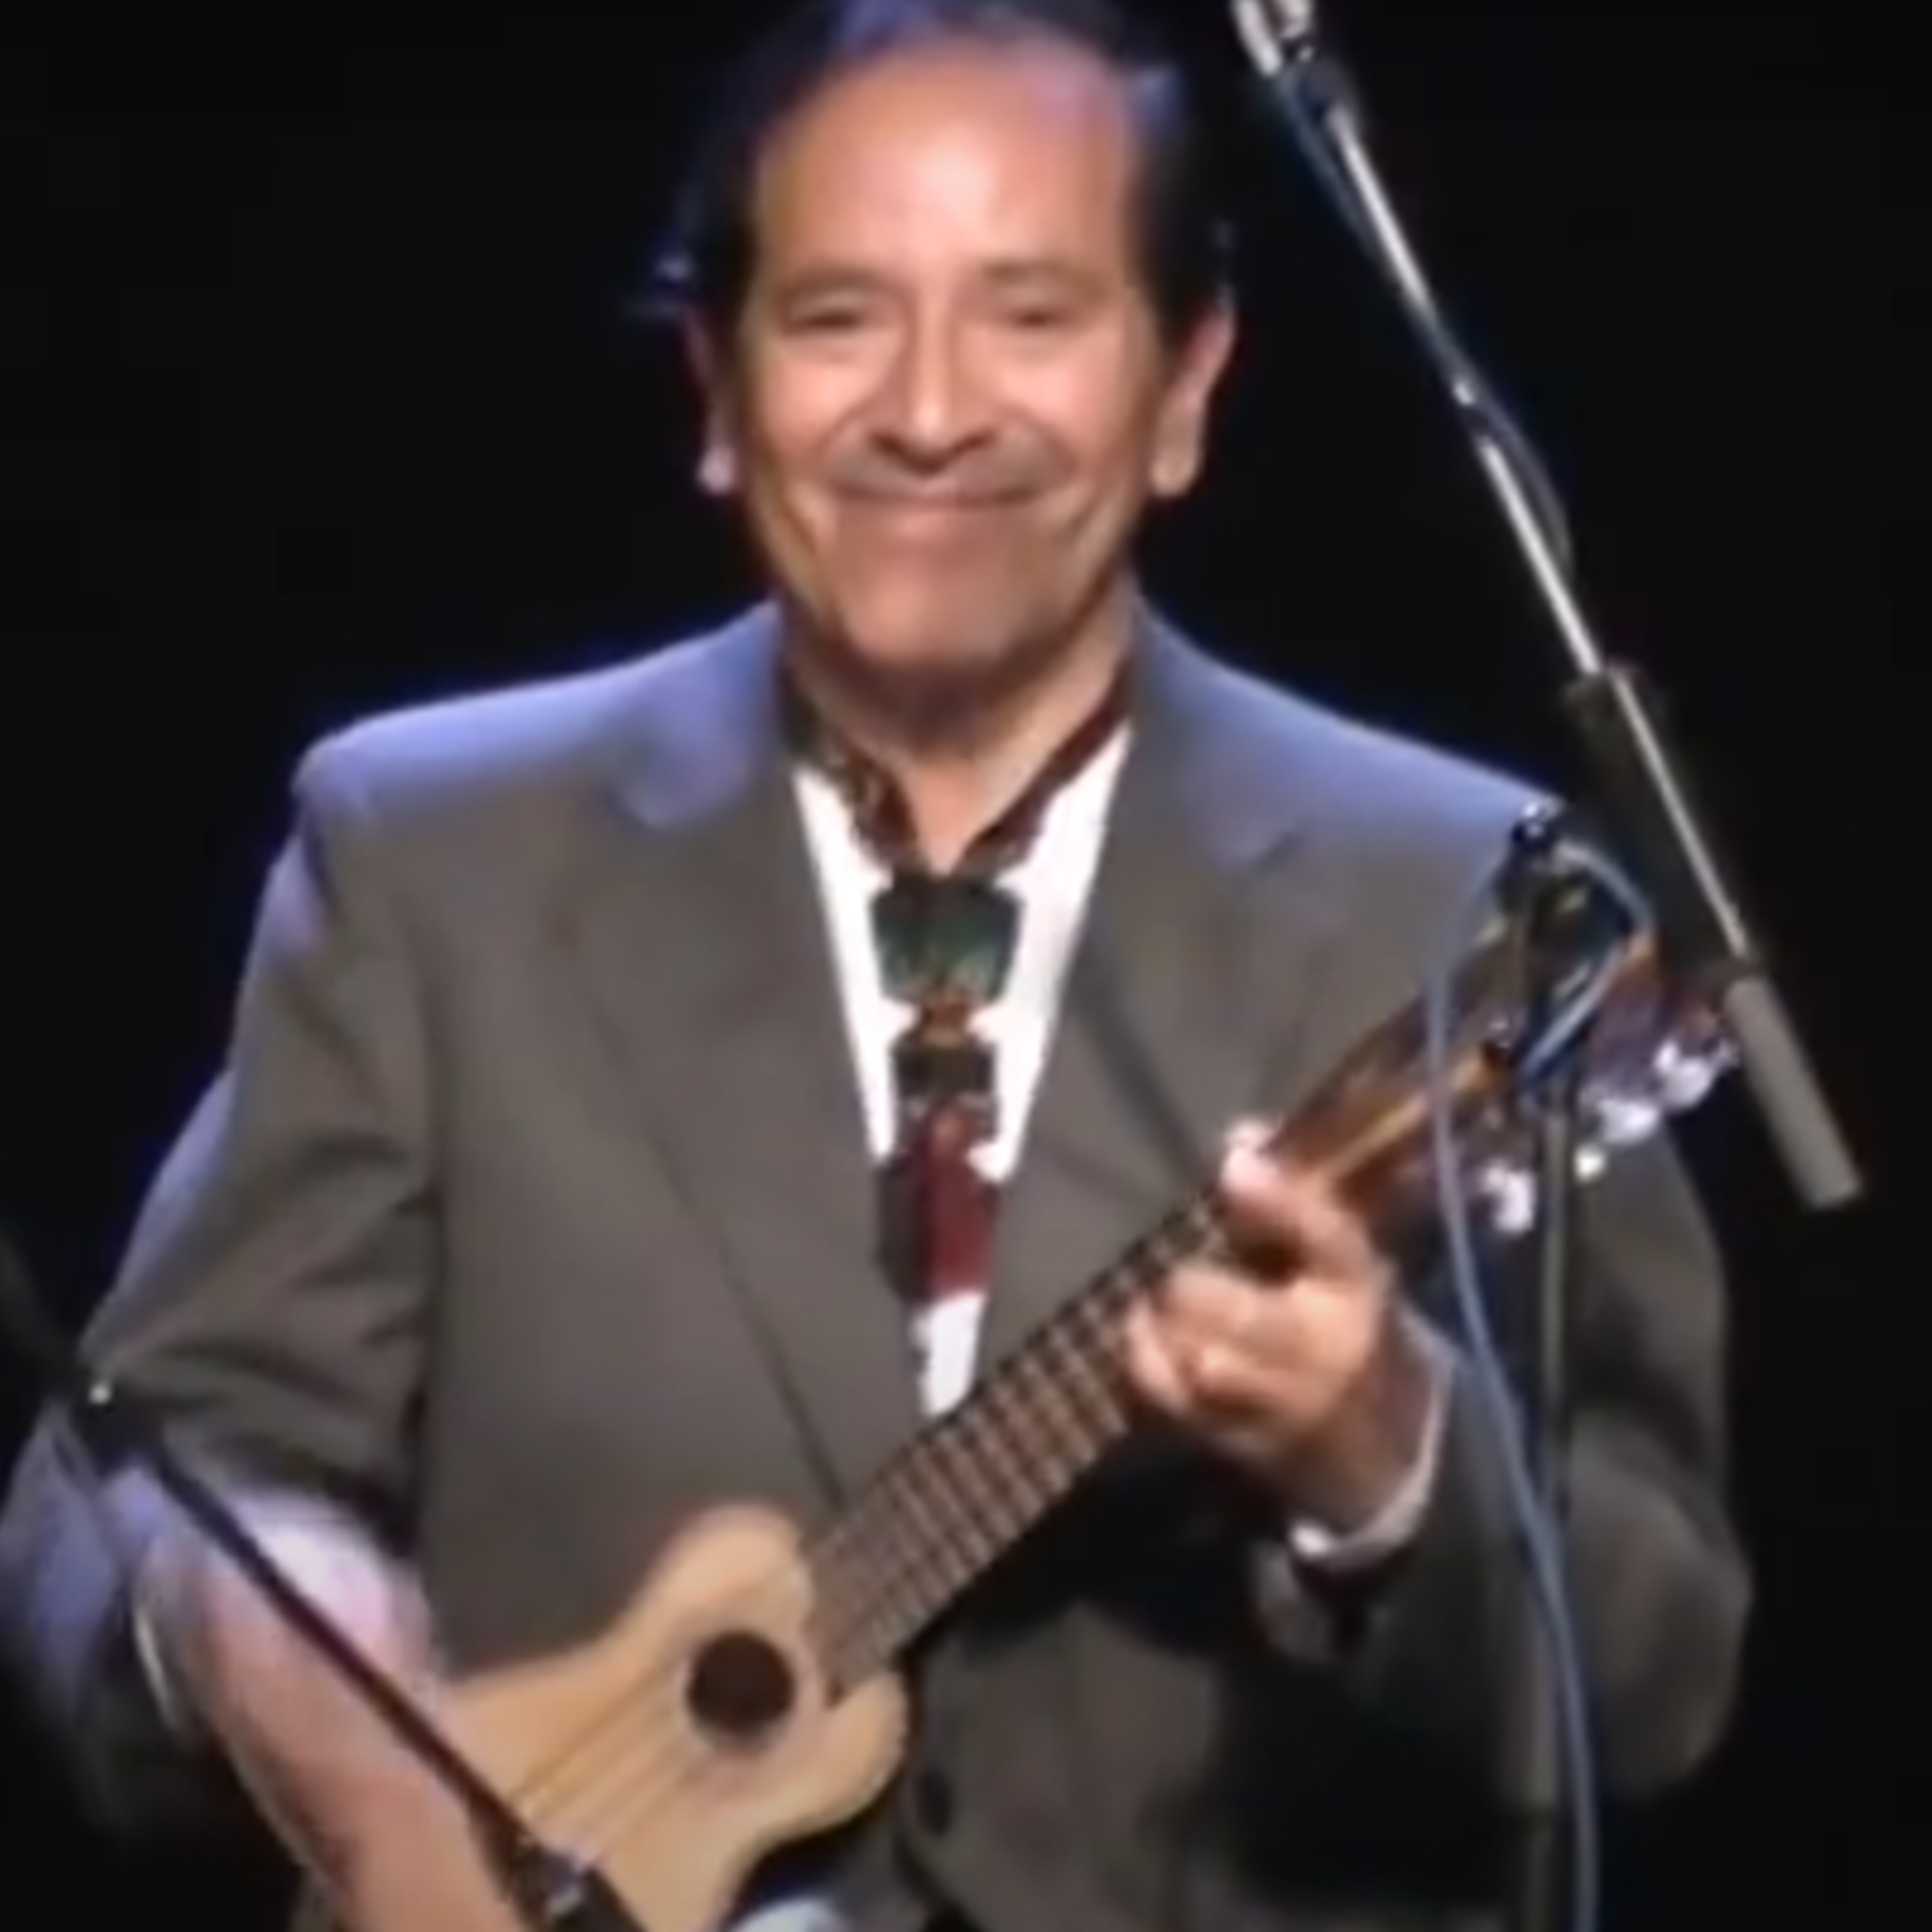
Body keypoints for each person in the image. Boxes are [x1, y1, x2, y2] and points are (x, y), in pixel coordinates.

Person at [0, 1, 1750, 1929]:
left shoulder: (1466, 904)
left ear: (1186, 383)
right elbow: (135, 1491)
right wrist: (320, 1722)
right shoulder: (430, 858)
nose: (929, 411)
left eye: (1031, 316)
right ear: (716, 385)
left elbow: (1661, 1672)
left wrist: (1391, 1466)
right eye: (838, 318)